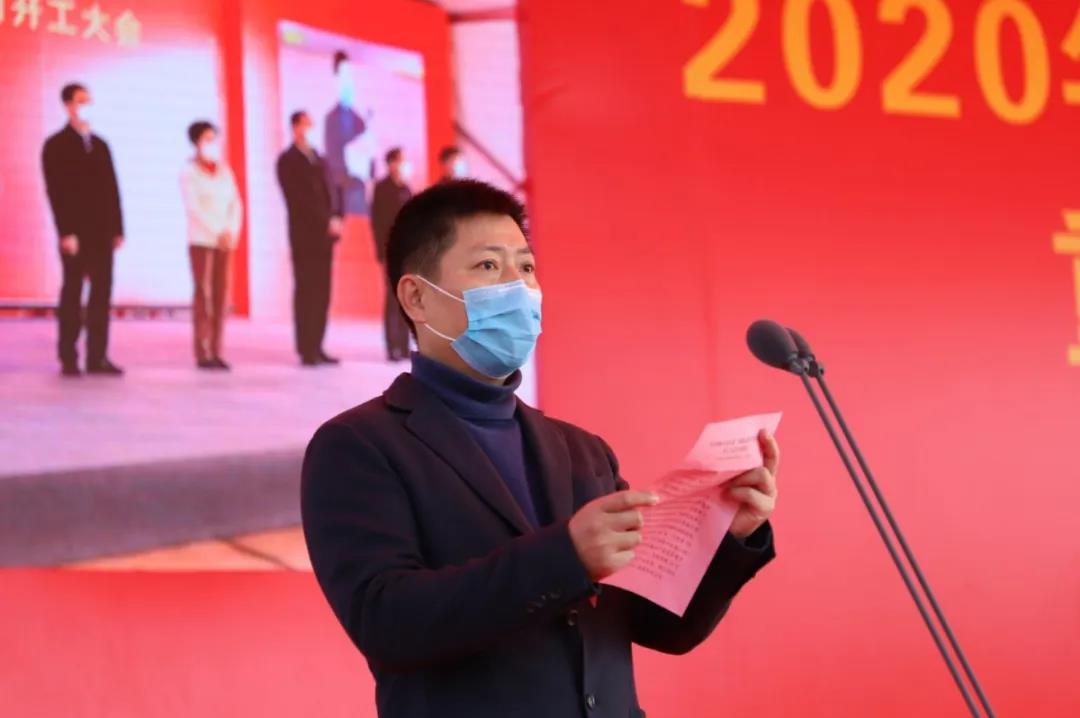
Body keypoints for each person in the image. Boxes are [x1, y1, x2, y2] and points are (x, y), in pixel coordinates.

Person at [301, 180, 779, 718]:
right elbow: (387, 623)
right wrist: (565, 557)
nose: (519, 286)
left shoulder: (583, 451)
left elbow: (662, 627)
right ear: (416, 297)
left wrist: (729, 536)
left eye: (526, 267)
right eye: (488, 266)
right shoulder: (359, 446)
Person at [41, 83, 125, 377]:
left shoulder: (101, 145)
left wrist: (117, 228)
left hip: (102, 232)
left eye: (89, 101)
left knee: (101, 293)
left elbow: (113, 189)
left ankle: (97, 356)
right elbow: (56, 192)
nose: (86, 106)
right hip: (76, 233)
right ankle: (68, 356)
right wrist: (66, 232)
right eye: (81, 101)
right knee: (73, 292)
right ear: (68, 105)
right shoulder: (56, 145)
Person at [277, 110, 344, 366]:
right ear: (295, 127)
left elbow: (334, 190)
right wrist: (324, 220)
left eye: (311, 124)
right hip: (305, 236)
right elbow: (297, 200)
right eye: (305, 124)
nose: (309, 129)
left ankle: (318, 345)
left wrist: (337, 217)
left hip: (326, 237)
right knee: (306, 290)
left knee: (323, 292)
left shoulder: (320, 158)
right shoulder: (287, 161)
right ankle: (306, 348)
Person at [180, 121, 243, 370]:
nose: (212, 143)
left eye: (214, 138)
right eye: (207, 139)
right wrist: (217, 231)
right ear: (196, 142)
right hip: (202, 240)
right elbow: (194, 208)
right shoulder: (189, 171)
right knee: (204, 294)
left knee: (220, 296)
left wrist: (230, 231)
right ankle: (203, 350)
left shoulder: (224, 170)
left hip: (225, 242)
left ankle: (217, 349)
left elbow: (235, 202)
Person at [370, 147, 413, 361]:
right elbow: (376, 222)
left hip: (408, 251)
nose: (404, 165)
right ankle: (392, 346)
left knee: (407, 298)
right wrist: (381, 250)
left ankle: (404, 345)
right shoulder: (382, 189)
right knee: (392, 298)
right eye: (401, 160)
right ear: (391, 164)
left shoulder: (406, 188)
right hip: (390, 250)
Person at [324, 50, 373, 216]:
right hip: (342, 189)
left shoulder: (359, 119)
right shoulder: (331, 119)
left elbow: (368, 151)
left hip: (360, 186)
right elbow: (332, 155)